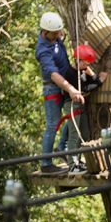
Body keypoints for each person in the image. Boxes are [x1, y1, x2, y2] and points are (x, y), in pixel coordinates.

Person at [34, 11, 84, 174]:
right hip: (54, 88)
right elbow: (53, 74)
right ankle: (46, 164)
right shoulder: (43, 50)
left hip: (65, 83)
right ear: (45, 31)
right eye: (55, 33)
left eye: (59, 32)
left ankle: (61, 147)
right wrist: (70, 89)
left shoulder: (54, 37)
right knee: (52, 125)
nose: (59, 35)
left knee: (73, 116)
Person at [55, 44, 108, 175]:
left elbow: (91, 81)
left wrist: (93, 75)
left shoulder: (82, 71)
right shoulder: (70, 73)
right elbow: (84, 89)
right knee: (74, 135)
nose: (87, 65)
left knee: (85, 134)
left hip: (81, 106)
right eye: (86, 63)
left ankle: (78, 161)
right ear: (78, 60)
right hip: (72, 105)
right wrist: (99, 81)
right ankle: (72, 165)